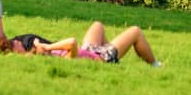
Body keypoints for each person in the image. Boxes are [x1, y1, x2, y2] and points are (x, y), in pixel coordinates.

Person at [9, 21, 162, 66]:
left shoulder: (42, 54)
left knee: (98, 25)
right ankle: (155, 65)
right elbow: (72, 42)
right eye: (15, 44)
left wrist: (42, 48)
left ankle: (115, 58)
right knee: (135, 31)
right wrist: (48, 46)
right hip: (101, 58)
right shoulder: (64, 60)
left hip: (89, 50)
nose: (17, 41)